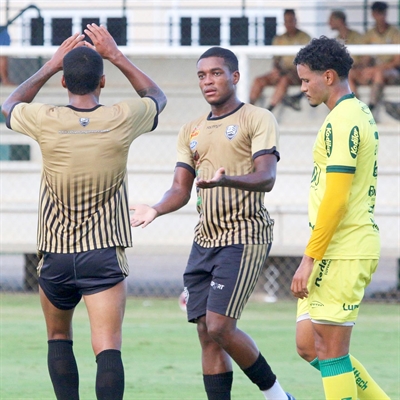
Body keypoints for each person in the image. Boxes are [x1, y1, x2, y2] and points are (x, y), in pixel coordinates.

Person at [1, 24, 166, 400]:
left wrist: (49, 64)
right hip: (102, 253)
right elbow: (157, 95)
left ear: (63, 83)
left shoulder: (46, 118)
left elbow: (7, 107)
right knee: (107, 345)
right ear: (103, 82)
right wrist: (116, 55)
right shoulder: (123, 117)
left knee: (58, 337)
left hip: (55, 255)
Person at [130, 47, 294, 400]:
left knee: (220, 325)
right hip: (204, 240)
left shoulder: (257, 118)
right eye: (202, 75)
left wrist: (226, 181)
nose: (208, 81)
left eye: (217, 73)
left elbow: (266, 177)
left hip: (245, 234)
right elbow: (179, 188)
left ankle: (279, 396)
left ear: (235, 77)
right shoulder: (191, 130)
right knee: (206, 330)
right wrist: (155, 209)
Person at [291, 36, 389, 400]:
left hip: (343, 248)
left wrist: (309, 257)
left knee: (332, 352)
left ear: (328, 77)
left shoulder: (344, 121)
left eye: (305, 80)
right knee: (308, 345)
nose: (302, 88)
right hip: (335, 246)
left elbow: (336, 199)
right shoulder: (354, 112)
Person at [249, 9, 311, 112]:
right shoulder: (279, 38)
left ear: (296, 21)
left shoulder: (304, 37)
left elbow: (308, 61)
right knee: (259, 80)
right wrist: (276, 69)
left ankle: (269, 110)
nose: (288, 24)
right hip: (282, 70)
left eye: (291, 20)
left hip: (297, 73)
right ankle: (248, 109)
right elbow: (276, 59)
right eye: (286, 21)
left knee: (284, 80)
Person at [348, 1, 400, 112]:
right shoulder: (369, 34)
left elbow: (397, 61)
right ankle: (355, 106)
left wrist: (378, 68)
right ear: (373, 14)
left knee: (378, 73)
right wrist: (365, 67)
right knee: (350, 73)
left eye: (382, 13)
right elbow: (364, 58)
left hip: (391, 72)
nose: (380, 16)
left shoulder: (395, 33)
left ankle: (371, 107)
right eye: (377, 13)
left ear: (386, 14)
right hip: (371, 71)